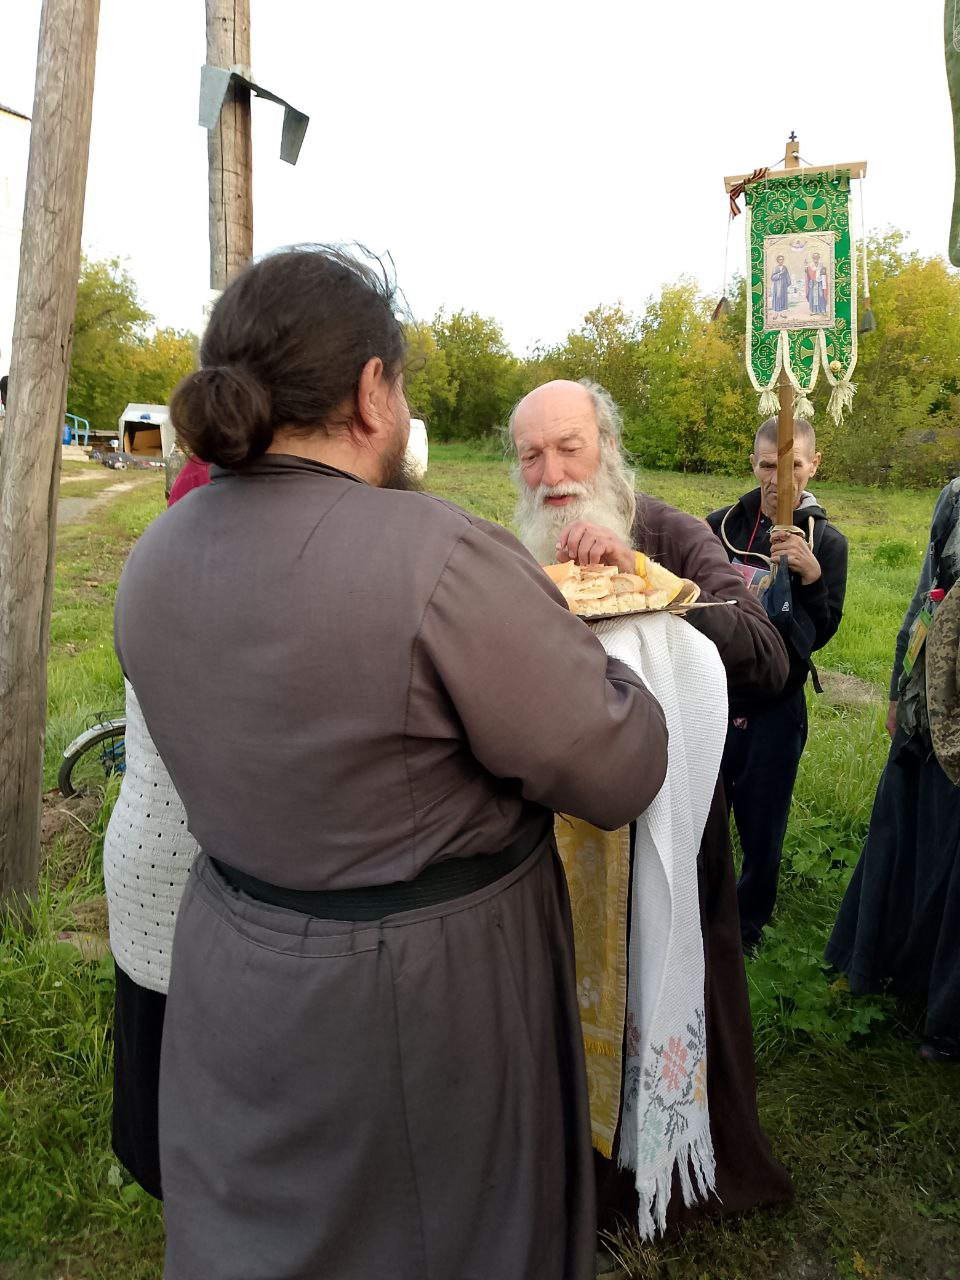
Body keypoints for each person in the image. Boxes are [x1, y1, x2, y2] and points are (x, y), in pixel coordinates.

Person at [114, 248, 669, 1280]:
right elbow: (614, 767)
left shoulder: (155, 557)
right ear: (373, 392)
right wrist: (623, 666)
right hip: (418, 999)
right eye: (403, 386)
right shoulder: (438, 553)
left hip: (234, 970)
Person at [508, 378, 793, 1236]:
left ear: (607, 446)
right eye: (531, 455)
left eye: (570, 447)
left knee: (675, 985)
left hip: (673, 828)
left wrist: (644, 576)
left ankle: (687, 1174)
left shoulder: (670, 532)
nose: (553, 474)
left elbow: (768, 657)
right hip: (563, 835)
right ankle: (589, 1178)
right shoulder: (517, 556)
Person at [102, 464, 214, 1200]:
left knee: (158, 1041)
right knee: (177, 1053)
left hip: (149, 857)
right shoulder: (196, 609)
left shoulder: (152, 581)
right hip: (180, 872)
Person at [827, 478, 960, 1063]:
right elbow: (929, 595)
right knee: (910, 837)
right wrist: (898, 688)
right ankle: (883, 968)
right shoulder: (956, 497)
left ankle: (947, 1023)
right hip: (932, 706)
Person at [707, 417, 848, 951]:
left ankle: (746, 926)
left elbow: (822, 632)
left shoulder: (828, 544)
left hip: (776, 708)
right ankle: (698, 909)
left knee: (763, 824)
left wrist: (811, 579)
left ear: (814, 465)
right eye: (768, 466)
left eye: (792, 466)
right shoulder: (719, 527)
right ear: (753, 465)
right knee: (704, 814)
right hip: (715, 698)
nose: (778, 480)